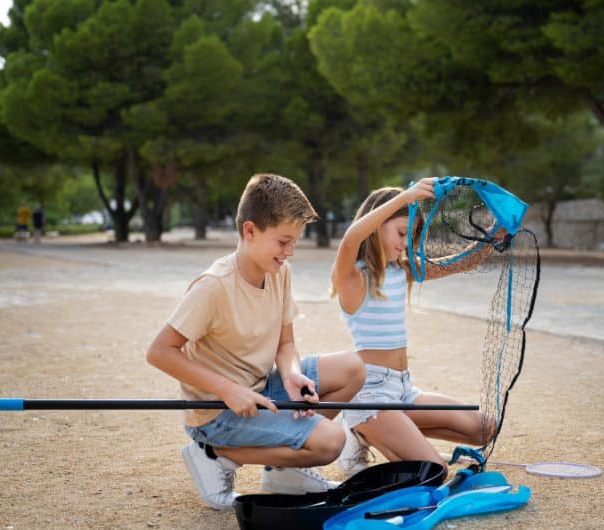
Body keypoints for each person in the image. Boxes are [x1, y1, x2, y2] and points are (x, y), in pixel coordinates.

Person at [146, 173, 365, 510]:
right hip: (217, 414)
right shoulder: (214, 285)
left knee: (353, 369)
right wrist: (227, 390)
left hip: (262, 389)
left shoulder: (280, 272)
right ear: (250, 231)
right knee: (331, 441)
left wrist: (292, 375)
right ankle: (214, 455)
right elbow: (159, 352)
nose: (290, 251)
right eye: (283, 241)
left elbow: (285, 344)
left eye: (294, 242)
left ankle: (282, 471)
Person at [330, 179, 497, 476]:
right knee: (435, 473)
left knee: (485, 428)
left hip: (403, 390)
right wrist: (404, 198)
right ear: (376, 225)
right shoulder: (352, 278)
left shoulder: (403, 269)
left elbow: (464, 262)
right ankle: (361, 430)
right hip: (371, 395)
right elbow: (351, 239)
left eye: (411, 236)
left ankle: (393, 435)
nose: (405, 243)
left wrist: (501, 231)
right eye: (401, 233)